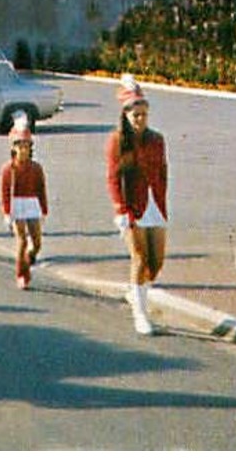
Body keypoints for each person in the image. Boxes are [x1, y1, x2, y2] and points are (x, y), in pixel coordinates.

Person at [106, 74, 168, 335]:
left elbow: (163, 170)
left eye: (144, 114)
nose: (141, 120)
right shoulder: (117, 142)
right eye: (136, 116)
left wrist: (162, 198)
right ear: (126, 116)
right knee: (140, 259)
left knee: (155, 264)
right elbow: (112, 178)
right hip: (132, 207)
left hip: (155, 206)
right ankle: (140, 315)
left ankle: (136, 291)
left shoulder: (157, 139)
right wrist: (121, 210)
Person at [0, 121, 48, 290]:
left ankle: (29, 258)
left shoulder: (36, 168)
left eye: (26, 146)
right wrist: (7, 213)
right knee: (21, 241)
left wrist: (44, 210)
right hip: (17, 205)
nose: (23, 150)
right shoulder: (8, 170)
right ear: (13, 149)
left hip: (32, 204)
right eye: (19, 146)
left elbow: (41, 190)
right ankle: (22, 274)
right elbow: (5, 193)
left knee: (37, 243)